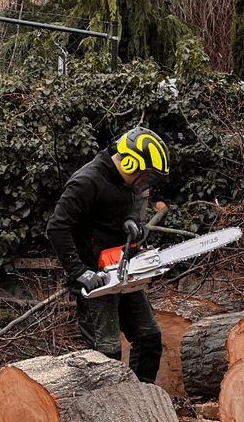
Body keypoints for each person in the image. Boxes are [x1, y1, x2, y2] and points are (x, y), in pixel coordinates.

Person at [46, 125, 170, 383]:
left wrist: (132, 221)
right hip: (96, 279)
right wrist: (80, 272)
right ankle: (108, 413)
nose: (145, 183)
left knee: (149, 337)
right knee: (107, 353)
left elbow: (134, 202)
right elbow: (57, 227)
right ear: (129, 162)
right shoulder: (86, 182)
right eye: (144, 175)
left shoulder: (128, 182)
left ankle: (142, 401)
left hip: (124, 272)